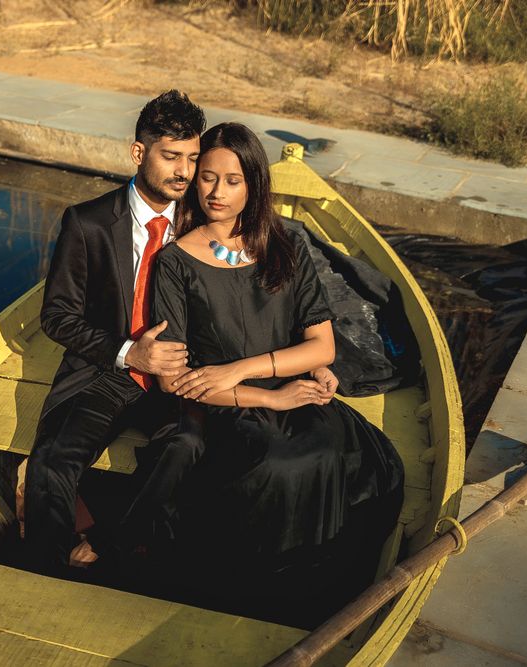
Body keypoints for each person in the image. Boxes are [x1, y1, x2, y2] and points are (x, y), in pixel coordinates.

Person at [150, 122, 405, 626]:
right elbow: (174, 381)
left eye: (233, 180)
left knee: (332, 450)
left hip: (285, 386)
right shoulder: (175, 262)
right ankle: (254, 601)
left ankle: (318, 598)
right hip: (223, 407)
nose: (217, 193)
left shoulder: (284, 247)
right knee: (277, 464)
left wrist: (249, 369)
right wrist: (265, 397)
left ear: (254, 185)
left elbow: (322, 345)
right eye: (207, 178)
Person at [19, 90, 209, 575]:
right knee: (52, 462)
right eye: (171, 157)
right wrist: (129, 353)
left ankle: (109, 544)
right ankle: (46, 574)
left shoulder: (203, 223)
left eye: (191, 158)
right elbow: (58, 316)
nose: (183, 171)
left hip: (180, 380)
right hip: (109, 371)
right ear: (138, 153)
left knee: (188, 450)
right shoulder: (88, 223)